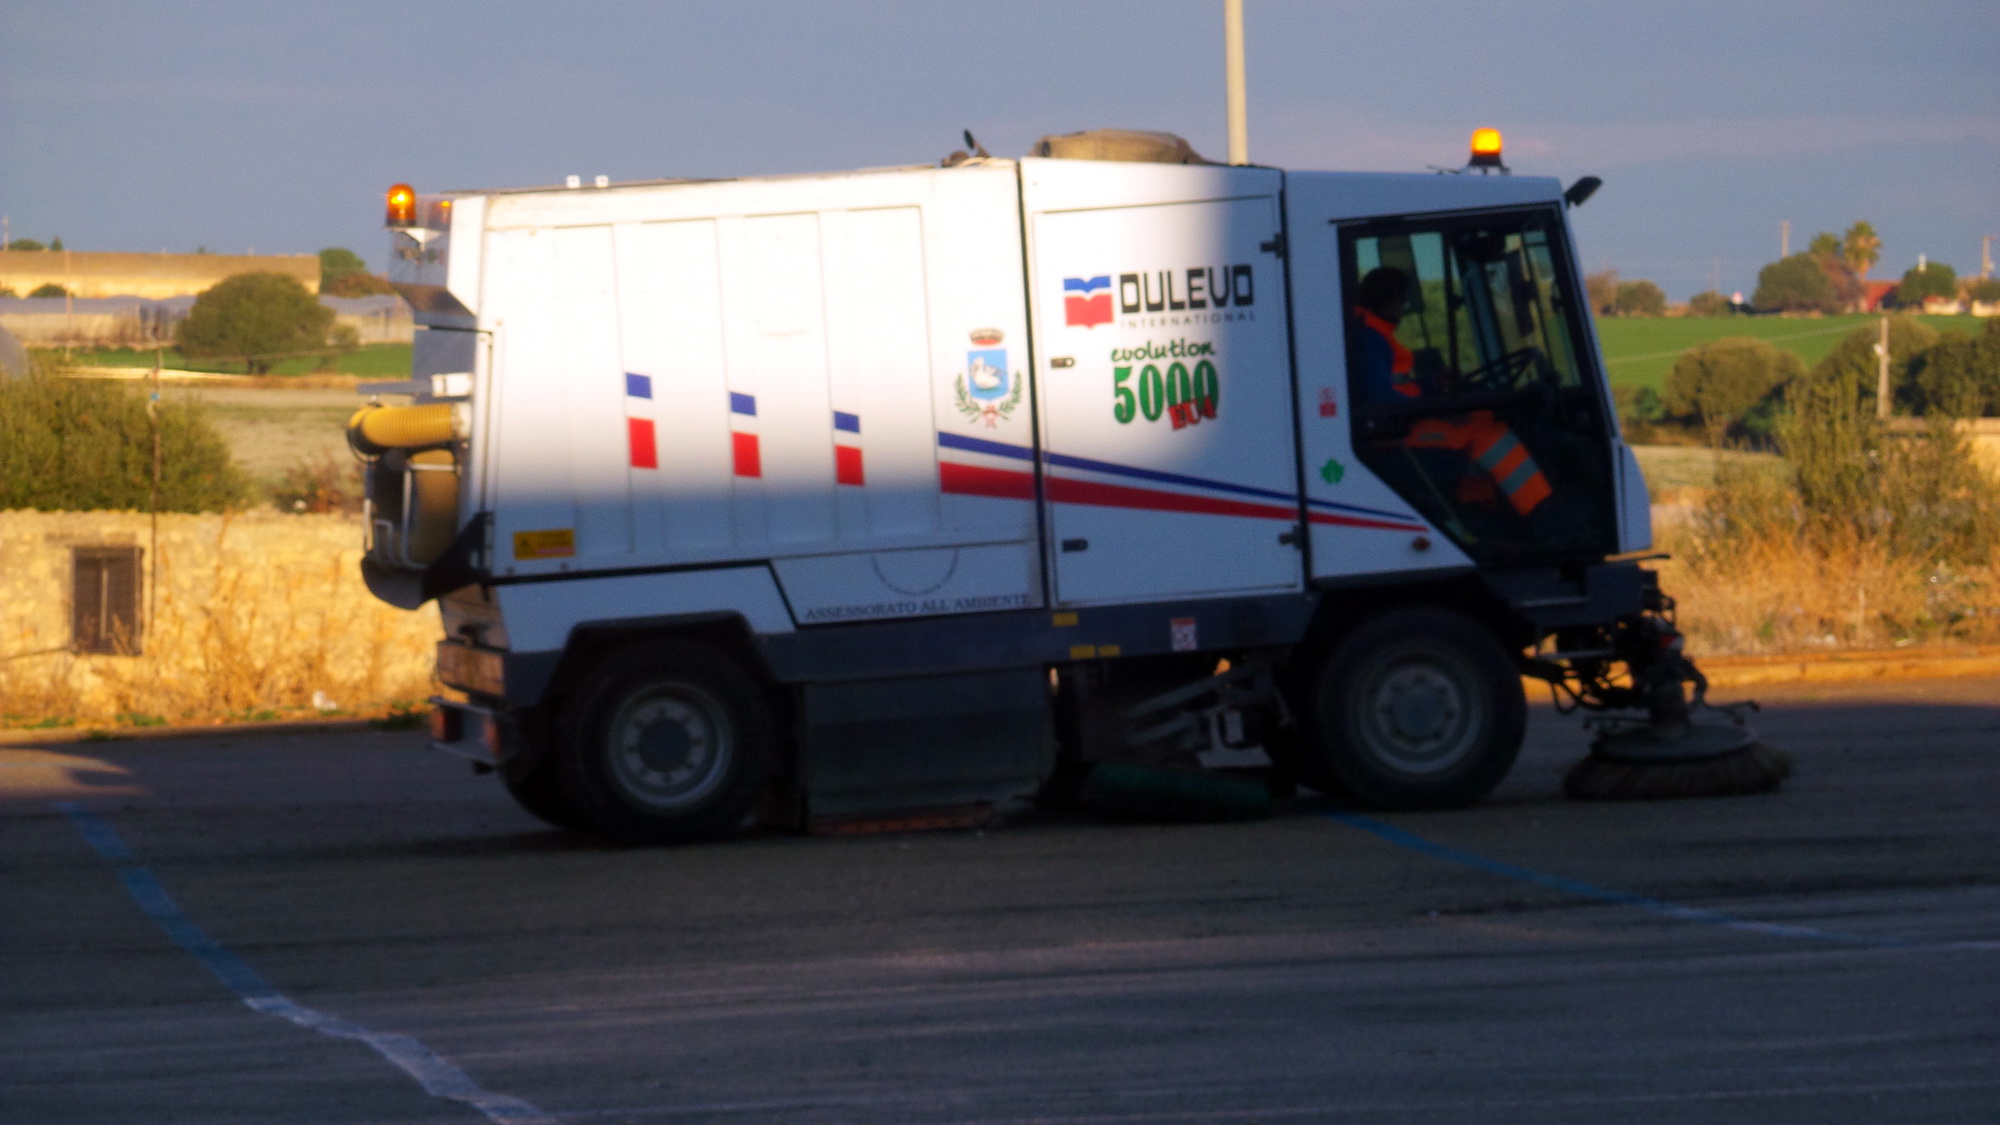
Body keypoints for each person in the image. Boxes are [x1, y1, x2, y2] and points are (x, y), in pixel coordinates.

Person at [1350, 266, 1552, 517]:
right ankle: (1541, 513)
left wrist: (1433, 383)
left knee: (1481, 417)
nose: (1403, 309)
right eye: (1402, 301)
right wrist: (1437, 411)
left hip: (1403, 420)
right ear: (1387, 300)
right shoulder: (1368, 338)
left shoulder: (1371, 331)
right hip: (1395, 433)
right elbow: (1380, 401)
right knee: (1487, 431)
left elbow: (1397, 387)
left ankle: (1481, 510)